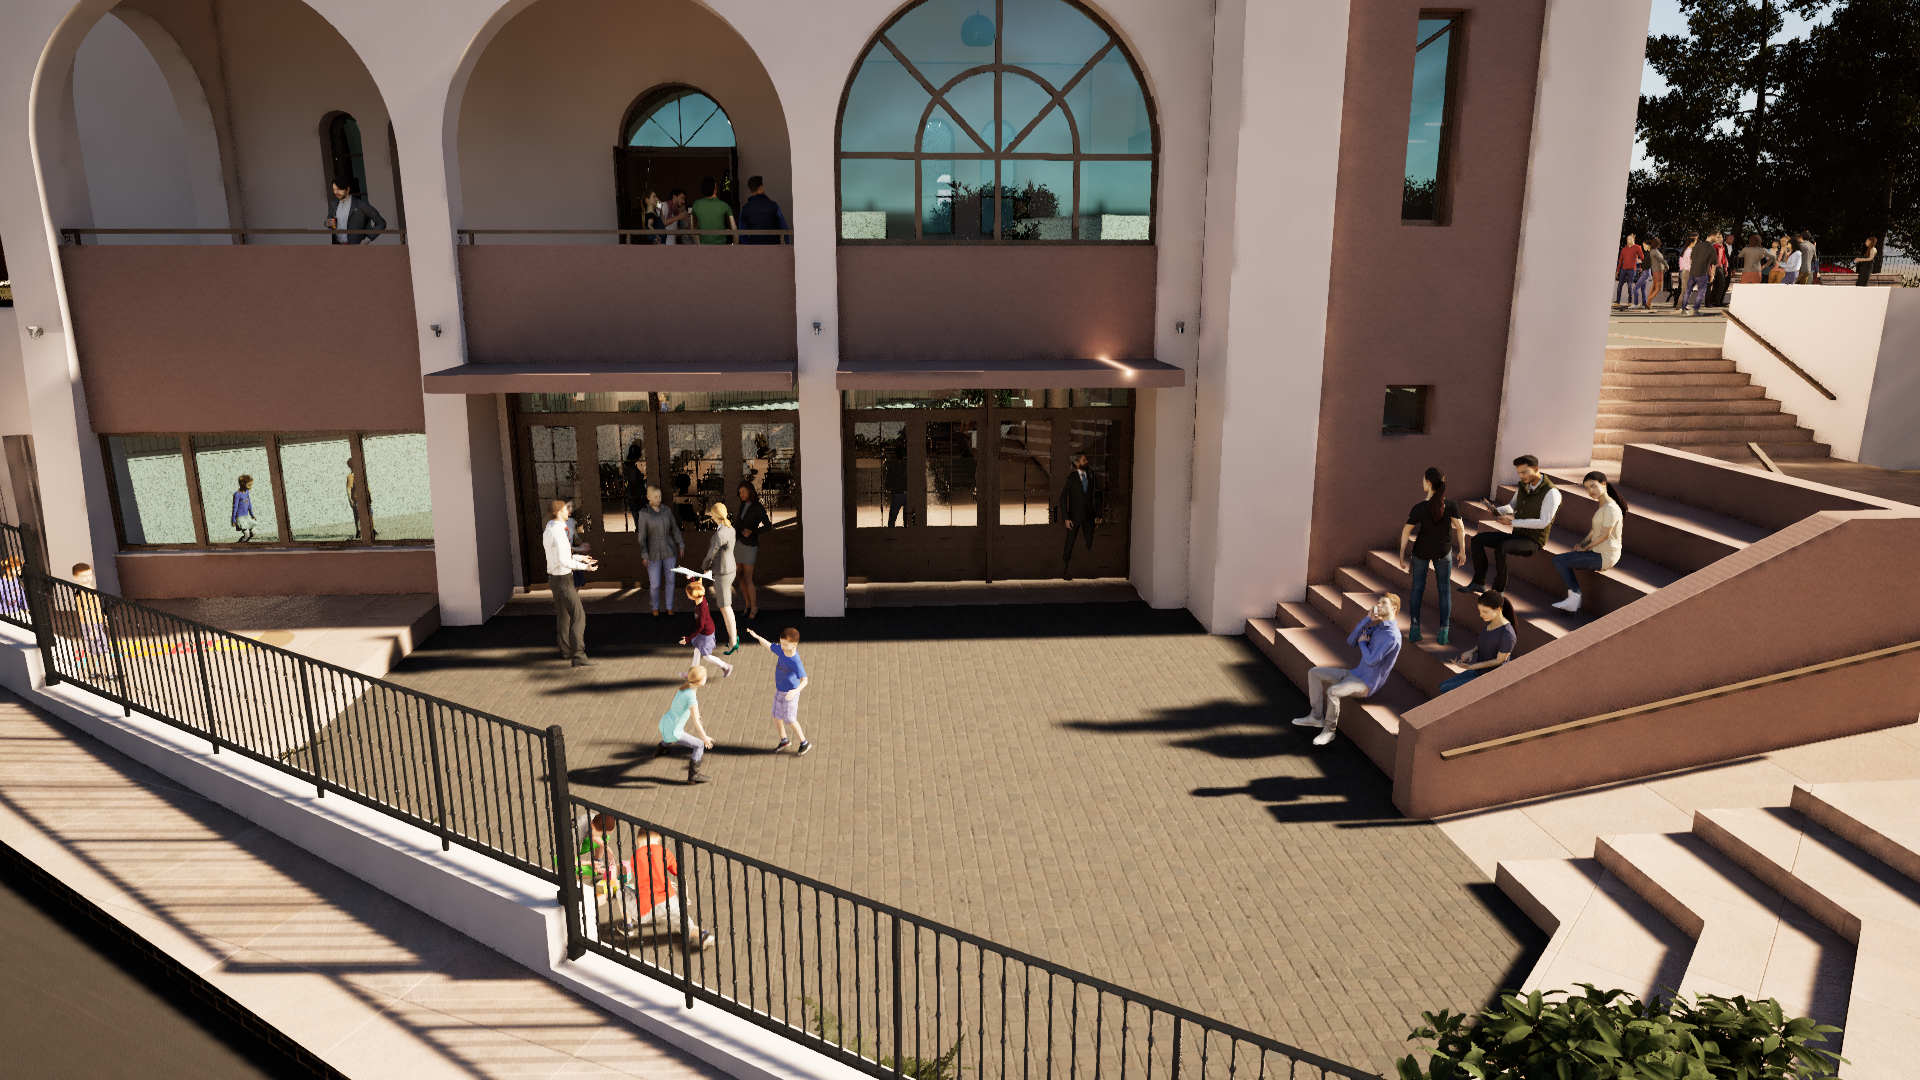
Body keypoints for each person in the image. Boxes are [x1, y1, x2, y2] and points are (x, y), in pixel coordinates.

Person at [1292, 594, 1402, 747]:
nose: (1379, 605)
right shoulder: (1378, 628)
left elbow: (1371, 661)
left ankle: (1329, 731)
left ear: (1394, 608)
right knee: (1314, 672)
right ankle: (1316, 717)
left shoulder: (1392, 637)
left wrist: (1363, 644)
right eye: (1378, 602)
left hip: (1366, 683)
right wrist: (1368, 619)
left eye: (1383, 603)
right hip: (1353, 673)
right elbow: (1351, 641)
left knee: (1332, 691)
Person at [1466, 455, 1559, 595]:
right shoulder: (1523, 486)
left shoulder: (1552, 493)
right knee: (1477, 539)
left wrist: (1511, 522)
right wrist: (1498, 511)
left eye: (1524, 472)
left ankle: (1498, 590)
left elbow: (1543, 522)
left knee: (1502, 547)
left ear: (1535, 468)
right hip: (1517, 535)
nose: (1521, 476)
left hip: (1533, 541)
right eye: (1519, 473)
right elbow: (1512, 506)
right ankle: (1478, 583)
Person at [1398, 467, 1465, 645]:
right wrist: (1462, 550)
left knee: (1417, 589)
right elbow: (1460, 528)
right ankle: (1443, 633)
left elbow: (1406, 532)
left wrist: (1402, 553)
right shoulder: (1451, 505)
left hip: (1421, 551)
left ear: (1428, 483)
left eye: (1423, 480)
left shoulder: (1419, 508)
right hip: (1443, 552)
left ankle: (1414, 630)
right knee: (1444, 591)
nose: (1422, 483)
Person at [1551, 471, 1627, 613]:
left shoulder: (1611, 509)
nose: (1590, 491)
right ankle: (1574, 598)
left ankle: (1574, 599)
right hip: (1597, 551)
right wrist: (1583, 543)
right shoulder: (1603, 505)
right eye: (1587, 488)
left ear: (1604, 484)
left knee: (1559, 560)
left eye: (1593, 486)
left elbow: (1604, 535)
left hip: (1605, 556)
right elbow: (1594, 531)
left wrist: (1585, 549)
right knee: (1558, 559)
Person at [543, 498, 598, 667]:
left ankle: (566, 652)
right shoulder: (558, 533)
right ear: (559, 513)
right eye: (565, 509)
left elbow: (563, 555)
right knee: (578, 616)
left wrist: (581, 557)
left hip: (554, 579)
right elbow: (564, 561)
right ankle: (578, 656)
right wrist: (586, 567)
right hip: (564, 580)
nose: (569, 511)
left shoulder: (549, 529)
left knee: (564, 616)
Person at [746, 626, 809, 755]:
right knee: (776, 716)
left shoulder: (795, 661)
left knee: (790, 719)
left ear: (794, 644)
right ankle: (784, 740)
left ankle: (804, 742)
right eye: (781, 643)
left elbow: (805, 680)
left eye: (785, 644)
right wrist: (758, 637)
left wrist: (795, 692)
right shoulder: (782, 650)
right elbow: (769, 646)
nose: (782, 646)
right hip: (779, 690)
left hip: (790, 693)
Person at [1437, 591, 1516, 693]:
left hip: (1490, 678)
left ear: (1497, 609)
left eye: (1485, 612)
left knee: (1445, 689)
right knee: (1441, 685)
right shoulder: (1492, 623)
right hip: (1479, 671)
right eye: (1480, 611)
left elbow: (1498, 661)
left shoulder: (1507, 634)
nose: (1481, 615)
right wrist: (1470, 652)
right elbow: (1485, 642)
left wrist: (1471, 667)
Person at [650, 666, 715, 784]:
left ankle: (658, 751)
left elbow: (682, 706)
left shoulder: (683, 688)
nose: (706, 678)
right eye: (705, 677)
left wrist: (696, 715)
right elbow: (696, 721)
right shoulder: (691, 698)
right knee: (699, 745)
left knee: (668, 736)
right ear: (699, 681)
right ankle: (693, 776)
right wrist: (705, 738)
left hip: (666, 723)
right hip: (675, 730)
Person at [637, 485, 684, 617]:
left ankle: (669, 607)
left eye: (660, 496)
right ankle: (655, 607)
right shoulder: (644, 513)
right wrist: (644, 555)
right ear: (648, 497)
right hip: (653, 552)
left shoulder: (666, 510)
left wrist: (681, 544)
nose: (659, 499)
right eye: (655, 497)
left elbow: (675, 528)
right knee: (655, 584)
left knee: (670, 580)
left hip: (669, 550)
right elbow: (642, 537)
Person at [700, 503, 740, 652]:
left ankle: (733, 641)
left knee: (725, 607)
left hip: (722, 573)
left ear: (714, 516)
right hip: (730, 569)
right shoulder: (731, 529)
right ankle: (733, 637)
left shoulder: (720, 534)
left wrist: (705, 567)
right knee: (725, 605)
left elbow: (711, 554)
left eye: (712, 514)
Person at [678, 579, 734, 679]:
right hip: (706, 631)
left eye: (688, 594)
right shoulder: (701, 597)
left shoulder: (701, 608)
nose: (687, 595)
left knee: (706, 656)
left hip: (706, 633)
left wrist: (688, 638)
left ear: (693, 595)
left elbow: (701, 627)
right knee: (697, 650)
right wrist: (691, 578)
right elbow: (697, 586)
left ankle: (726, 667)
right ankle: (692, 673)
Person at [1058, 451, 1100, 580]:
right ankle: (1065, 570)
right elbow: (1062, 498)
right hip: (1074, 517)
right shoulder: (1072, 478)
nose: (1086, 462)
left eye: (1086, 460)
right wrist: (1066, 518)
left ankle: (1088, 570)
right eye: (1084, 460)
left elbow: (1097, 496)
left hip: (1089, 517)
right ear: (1076, 463)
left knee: (1089, 543)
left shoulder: (1091, 476)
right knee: (1070, 543)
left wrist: (1097, 514)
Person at [734, 482, 772, 620]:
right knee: (739, 576)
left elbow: (768, 526)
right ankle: (747, 604)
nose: (741, 495)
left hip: (750, 545)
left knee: (747, 577)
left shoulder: (757, 507)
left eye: (743, 492)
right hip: (739, 544)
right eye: (740, 493)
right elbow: (738, 525)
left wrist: (752, 532)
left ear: (750, 491)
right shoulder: (742, 505)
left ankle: (754, 607)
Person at [71, 562, 110, 675]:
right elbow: (86, 611)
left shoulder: (90, 588)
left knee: (94, 651)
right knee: (104, 649)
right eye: (84, 576)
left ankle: (91, 673)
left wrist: (103, 617)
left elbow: (96, 606)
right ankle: (109, 674)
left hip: (95, 623)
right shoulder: (82, 593)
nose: (88, 578)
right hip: (91, 624)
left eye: (89, 575)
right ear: (75, 577)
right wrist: (92, 629)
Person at [323, 178, 386, 245]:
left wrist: (368, 239)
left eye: (339, 189)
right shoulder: (334, 204)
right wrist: (327, 224)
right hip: (337, 246)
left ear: (348, 189)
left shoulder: (361, 205)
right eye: (334, 189)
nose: (336, 192)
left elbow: (381, 223)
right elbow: (329, 220)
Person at [736, 175, 789, 245]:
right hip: (774, 248)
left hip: (755, 248)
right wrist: (786, 246)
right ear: (761, 187)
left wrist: (749, 247)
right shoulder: (774, 206)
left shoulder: (744, 209)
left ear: (750, 190)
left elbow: (741, 234)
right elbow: (785, 229)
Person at [689, 177, 735, 245]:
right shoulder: (724, 205)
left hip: (705, 246)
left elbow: (693, 228)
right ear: (715, 189)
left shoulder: (696, 205)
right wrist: (736, 245)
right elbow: (734, 228)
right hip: (721, 245)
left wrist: (699, 244)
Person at [1683, 233, 1714, 314]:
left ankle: (1683, 308)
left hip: (1691, 272)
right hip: (1698, 272)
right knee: (1701, 292)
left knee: (1688, 291)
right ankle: (1695, 309)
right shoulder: (1693, 251)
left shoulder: (1689, 251)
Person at [884, 447, 909, 527]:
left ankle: (892, 534)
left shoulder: (892, 466)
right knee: (908, 521)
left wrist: (888, 488)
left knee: (892, 519)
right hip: (908, 494)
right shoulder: (908, 465)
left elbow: (888, 481)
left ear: (895, 455)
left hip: (897, 494)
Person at [1613, 234, 1641, 307]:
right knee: (1619, 285)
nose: (1628, 240)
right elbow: (1620, 260)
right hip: (1623, 269)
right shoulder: (1624, 249)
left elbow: (1642, 257)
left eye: (1630, 239)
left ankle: (1629, 302)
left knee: (1629, 286)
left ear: (1633, 240)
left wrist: (1641, 266)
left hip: (1632, 270)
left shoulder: (1637, 247)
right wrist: (1617, 271)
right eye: (1627, 239)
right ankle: (1617, 302)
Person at [1640, 238, 1667, 308]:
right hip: (1658, 271)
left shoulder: (1651, 251)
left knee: (1654, 287)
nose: (1660, 245)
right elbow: (1661, 259)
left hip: (1655, 270)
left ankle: (1648, 303)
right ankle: (1648, 301)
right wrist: (1667, 266)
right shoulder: (1655, 251)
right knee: (1658, 288)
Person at [232, 474, 258, 543]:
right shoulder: (237, 494)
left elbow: (249, 503)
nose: (250, 487)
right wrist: (233, 519)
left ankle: (245, 544)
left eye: (251, 485)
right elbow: (235, 506)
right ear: (243, 484)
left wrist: (252, 514)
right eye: (249, 485)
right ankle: (238, 545)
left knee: (254, 532)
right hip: (240, 517)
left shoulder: (247, 492)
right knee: (246, 534)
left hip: (246, 516)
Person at [0, 557, 25, 622]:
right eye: (18, 570)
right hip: (6, 613)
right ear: (8, 569)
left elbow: (21, 593)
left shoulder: (16, 579)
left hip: (17, 610)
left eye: (21, 570)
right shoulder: (1, 583)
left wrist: (24, 606)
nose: (20, 572)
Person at [1674, 235, 1694, 310]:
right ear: (1691, 243)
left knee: (1683, 291)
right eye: (1694, 243)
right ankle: (1683, 306)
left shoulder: (1685, 250)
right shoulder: (1689, 251)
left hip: (1685, 271)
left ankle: (1679, 306)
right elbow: (1689, 263)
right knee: (1686, 290)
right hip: (1687, 271)